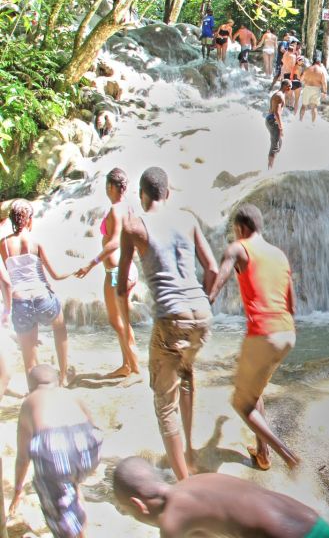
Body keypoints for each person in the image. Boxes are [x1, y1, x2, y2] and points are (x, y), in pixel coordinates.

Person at [117, 167, 217, 481]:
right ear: (168, 193)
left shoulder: (134, 226)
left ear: (142, 196)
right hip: (201, 314)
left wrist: (124, 316)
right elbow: (212, 269)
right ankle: (189, 450)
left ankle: (185, 485)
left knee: (164, 404)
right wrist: (203, 304)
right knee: (185, 373)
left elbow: (121, 284)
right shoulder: (187, 220)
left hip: (170, 318)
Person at [206, 205, 299, 471]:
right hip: (287, 332)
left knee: (241, 403)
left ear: (241, 229)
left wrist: (207, 300)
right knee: (255, 390)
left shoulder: (239, 248)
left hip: (264, 332)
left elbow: (222, 277)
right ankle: (263, 454)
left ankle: (287, 454)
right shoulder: (279, 254)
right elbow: (291, 304)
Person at [113, 457, 329, 538]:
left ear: (138, 505)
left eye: (130, 513)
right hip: (319, 524)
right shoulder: (199, 481)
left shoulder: (171, 523)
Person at [8, 365, 102, 538]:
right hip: (89, 448)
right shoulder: (71, 394)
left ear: (30, 388)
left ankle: (70, 532)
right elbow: (92, 425)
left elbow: (23, 457)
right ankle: (80, 523)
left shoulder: (30, 401)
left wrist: (18, 490)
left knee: (58, 506)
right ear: (58, 382)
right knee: (71, 484)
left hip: (55, 451)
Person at [0, 199, 74, 386]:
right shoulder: (36, 243)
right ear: (29, 220)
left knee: (29, 353)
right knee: (60, 328)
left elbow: (7, 281)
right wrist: (74, 271)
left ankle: (35, 390)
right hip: (43, 298)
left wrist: (7, 311)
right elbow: (55, 275)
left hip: (21, 301)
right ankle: (64, 377)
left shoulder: (3, 245)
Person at [75, 168, 140, 378]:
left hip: (117, 272)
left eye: (107, 186)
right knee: (118, 320)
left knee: (119, 320)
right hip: (122, 269)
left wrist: (90, 263)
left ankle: (134, 366)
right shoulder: (128, 209)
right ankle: (128, 364)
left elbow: (113, 243)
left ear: (111, 187)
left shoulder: (115, 211)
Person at [266, 81, 290, 170]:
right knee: (275, 146)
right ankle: (269, 169)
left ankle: (271, 165)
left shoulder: (278, 94)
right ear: (285, 86)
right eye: (289, 87)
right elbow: (276, 112)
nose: (290, 89)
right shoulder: (279, 96)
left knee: (279, 144)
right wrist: (281, 127)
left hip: (270, 119)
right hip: (273, 120)